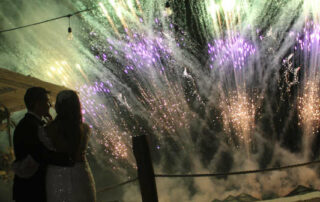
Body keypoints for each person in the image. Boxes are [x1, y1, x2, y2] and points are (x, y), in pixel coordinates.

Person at [12, 87, 74, 202]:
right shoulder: (29, 126)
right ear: (37, 104)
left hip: (32, 186)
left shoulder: (31, 123)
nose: (50, 105)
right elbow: (40, 154)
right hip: (30, 189)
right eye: (47, 101)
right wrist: (67, 159)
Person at [39, 90, 96, 202]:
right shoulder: (85, 129)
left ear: (58, 107)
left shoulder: (47, 130)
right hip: (80, 173)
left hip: (56, 175)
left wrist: (50, 122)